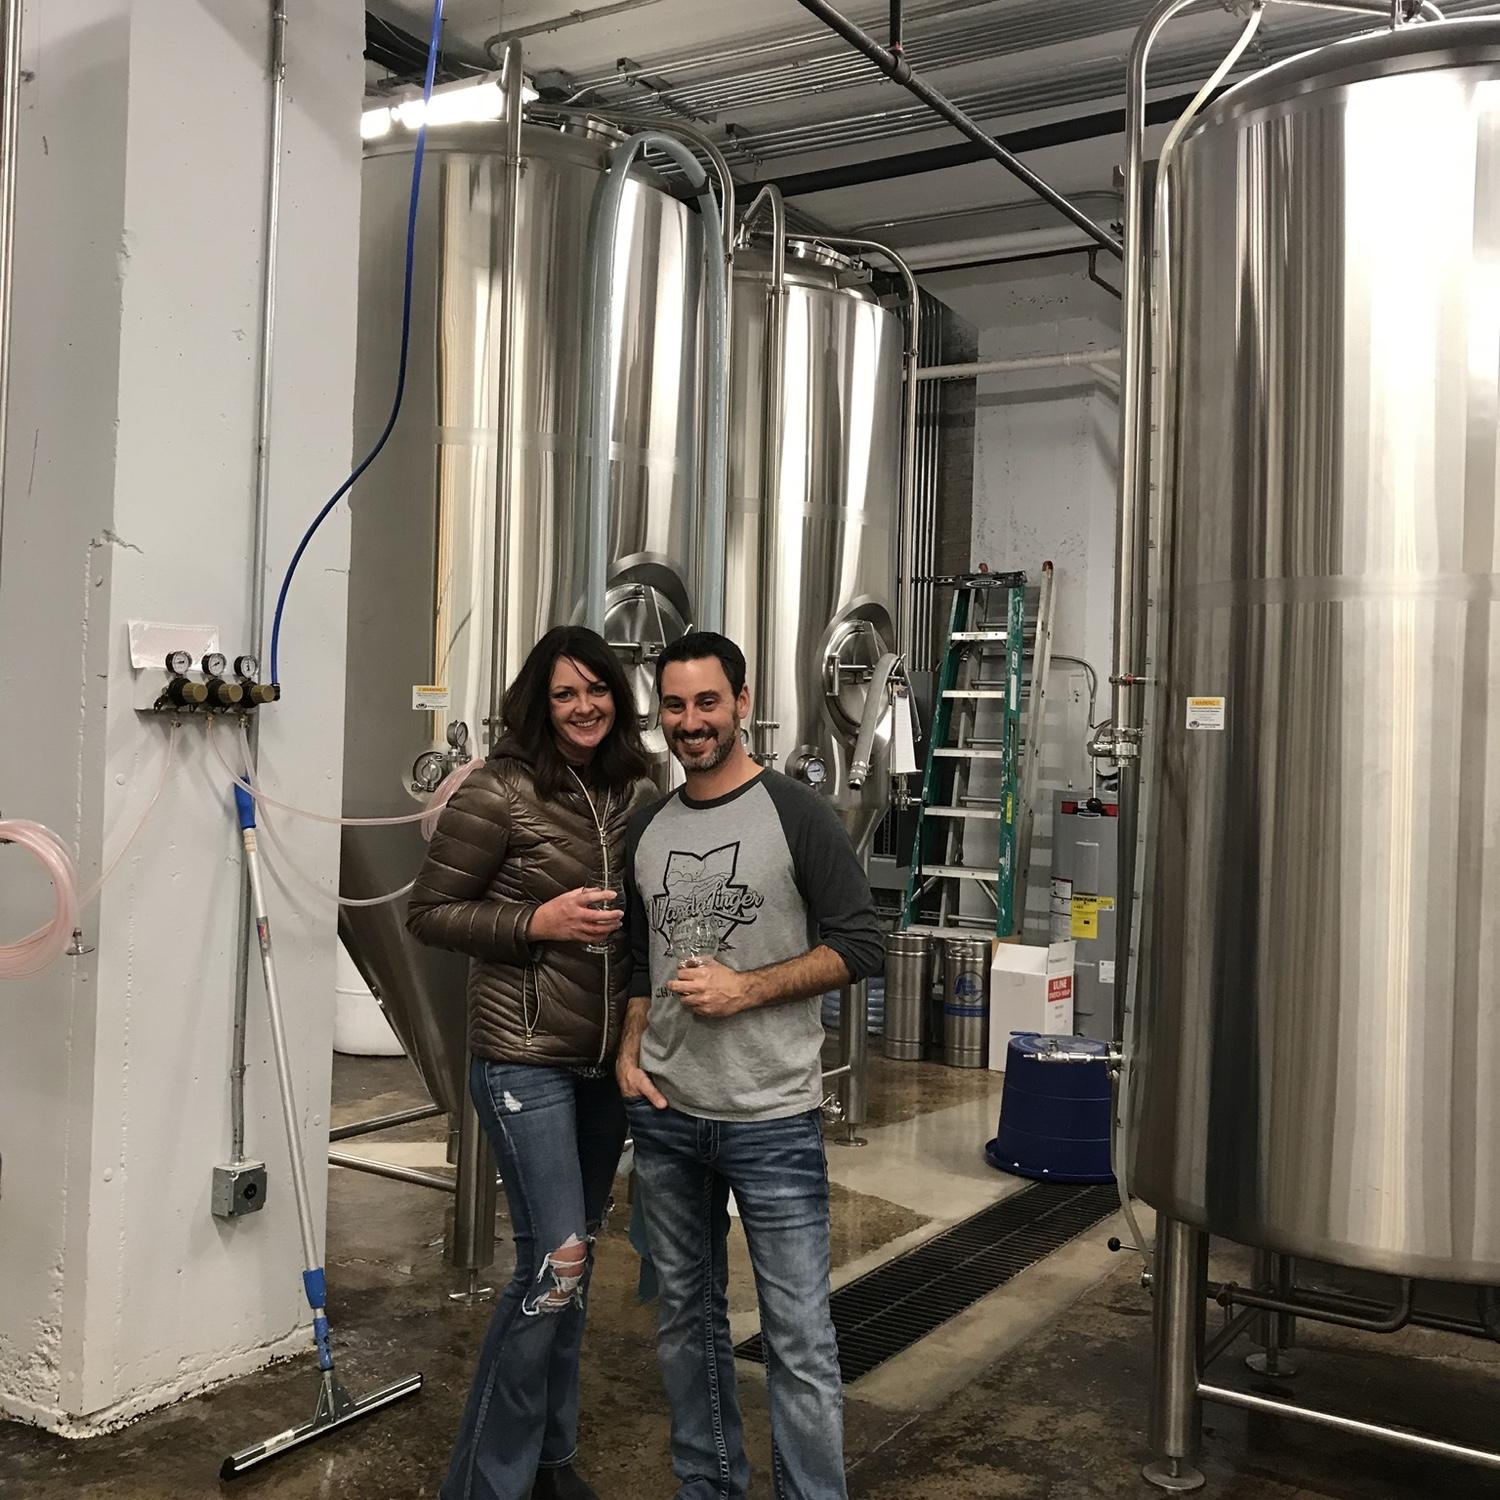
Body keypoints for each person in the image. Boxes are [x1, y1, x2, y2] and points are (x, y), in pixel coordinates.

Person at [618, 631, 884, 1500]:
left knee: (798, 1340)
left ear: (741, 702)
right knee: (684, 1325)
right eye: (675, 706)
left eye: (707, 702)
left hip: (771, 1118)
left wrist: (747, 989)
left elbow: (861, 944)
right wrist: (629, 1050)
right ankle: (710, 1486)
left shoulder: (796, 814)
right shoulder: (650, 829)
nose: (690, 722)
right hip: (668, 1116)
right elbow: (639, 962)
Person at [407, 624, 657, 1500]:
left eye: (596, 689)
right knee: (556, 1264)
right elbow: (428, 913)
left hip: (602, 1064)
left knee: (573, 1273)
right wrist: (534, 923)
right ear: (538, 706)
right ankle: (483, 1485)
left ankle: (550, 1463)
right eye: (564, 694)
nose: (584, 707)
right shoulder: (499, 790)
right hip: (523, 1057)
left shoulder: (636, 789)